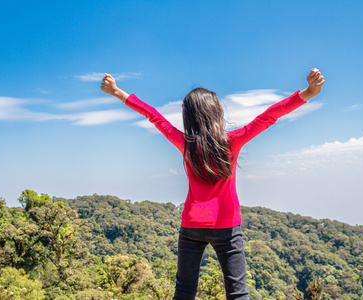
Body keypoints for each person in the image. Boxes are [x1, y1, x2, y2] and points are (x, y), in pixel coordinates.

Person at [101, 69, 325, 300]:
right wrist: (307, 92)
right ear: (215, 112)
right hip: (226, 227)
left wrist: (118, 92)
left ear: (188, 115)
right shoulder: (232, 142)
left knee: (185, 291)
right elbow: (269, 116)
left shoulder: (185, 144)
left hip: (192, 225)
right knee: (238, 294)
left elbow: (154, 116)